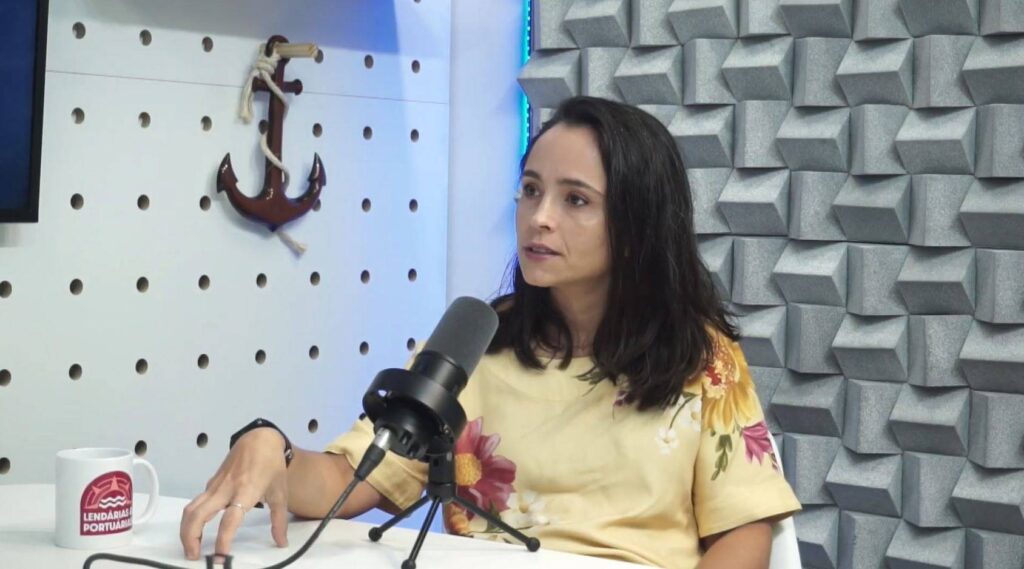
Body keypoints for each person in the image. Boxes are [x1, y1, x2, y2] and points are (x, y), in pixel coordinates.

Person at [180, 96, 801, 569]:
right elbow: (350, 479)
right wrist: (274, 448)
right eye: (530, 190)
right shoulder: (476, 342)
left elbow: (744, 529)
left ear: (636, 224)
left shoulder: (702, 357)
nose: (539, 218)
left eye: (575, 200)